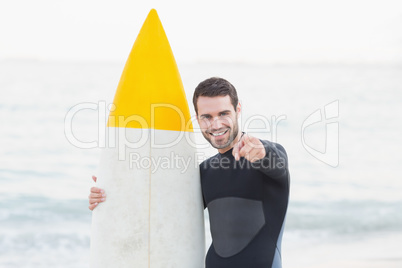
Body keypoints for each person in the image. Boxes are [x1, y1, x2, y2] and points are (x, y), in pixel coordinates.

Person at [89, 77, 290, 268]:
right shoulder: (205, 172)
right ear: (197, 119)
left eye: (223, 114)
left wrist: (261, 153)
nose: (216, 124)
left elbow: (277, 163)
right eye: (207, 117)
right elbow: (162, 207)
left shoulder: (270, 155)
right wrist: (112, 193)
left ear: (238, 109)